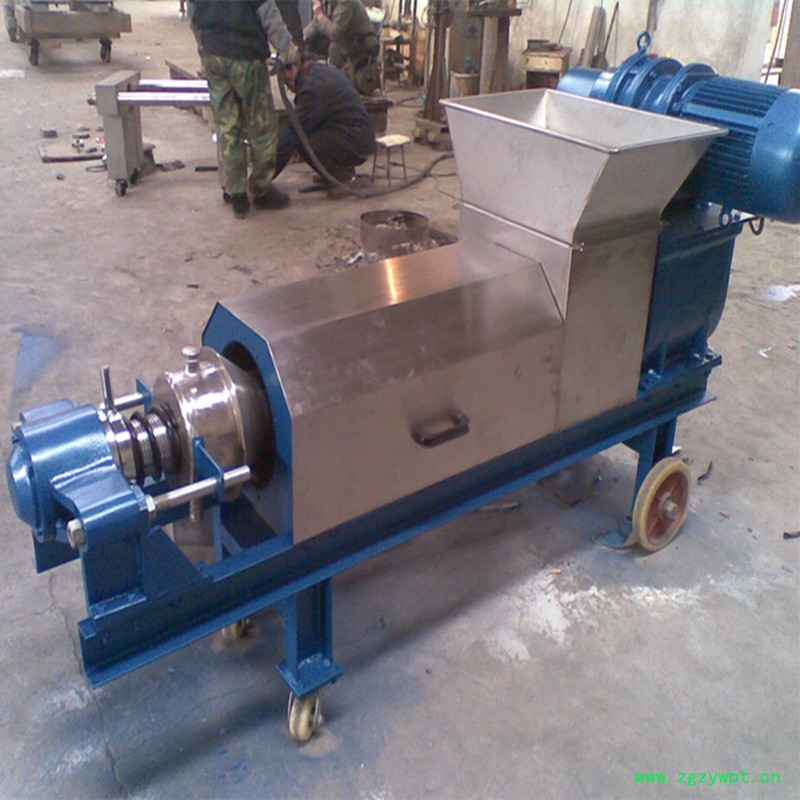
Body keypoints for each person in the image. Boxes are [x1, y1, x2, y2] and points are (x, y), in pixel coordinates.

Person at [189, 1, 299, 219]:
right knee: (262, 126)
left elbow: (193, 14)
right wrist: (287, 48)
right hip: (246, 57)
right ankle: (261, 190)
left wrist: (204, 45)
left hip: (214, 56)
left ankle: (236, 192)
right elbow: (268, 13)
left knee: (227, 126)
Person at [276, 57, 376, 189]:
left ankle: (343, 178)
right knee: (310, 131)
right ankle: (334, 172)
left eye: (287, 83)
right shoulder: (317, 71)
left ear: (292, 69)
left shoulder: (312, 89)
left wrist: (264, 175)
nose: (290, 89)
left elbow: (294, 131)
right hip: (357, 134)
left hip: (357, 141)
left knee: (302, 140)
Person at [302, 0, 378, 73]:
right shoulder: (328, 2)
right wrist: (303, 38)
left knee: (334, 48)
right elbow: (316, 22)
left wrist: (320, 15)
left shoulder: (345, 2)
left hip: (360, 43)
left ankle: (335, 78)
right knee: (311, 42)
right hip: (346, 40)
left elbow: (335, 34)